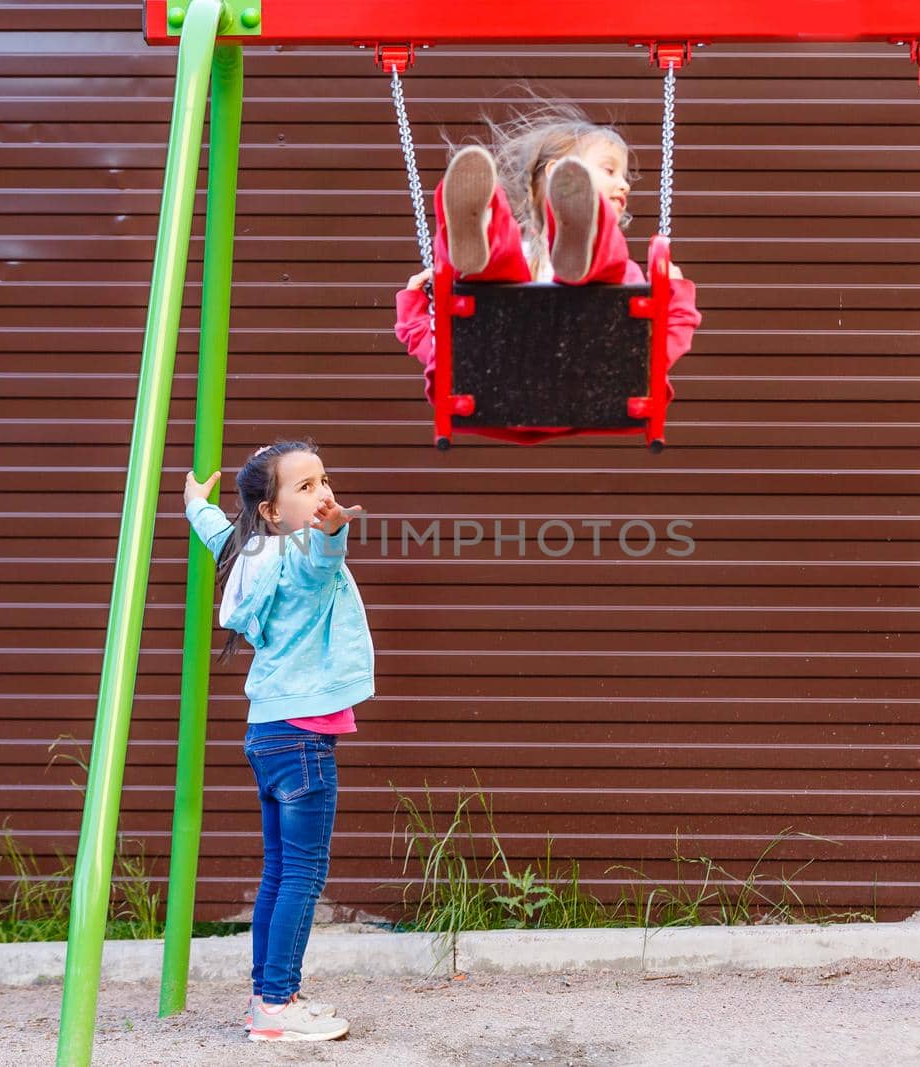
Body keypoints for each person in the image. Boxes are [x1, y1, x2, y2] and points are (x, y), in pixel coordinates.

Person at [183, 440, 372, 1042]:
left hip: (269, 732)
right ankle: (275, 1005)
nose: (323, 494)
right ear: (271, 511)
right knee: (302, 875)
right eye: (305, 487)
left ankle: (270, 996)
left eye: (324, 480)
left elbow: (219, 534)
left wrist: (194, 503)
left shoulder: (251, 554)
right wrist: (335, 532)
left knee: (279, 872)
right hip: (302, 741)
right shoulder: (300, 556)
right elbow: (322, 560)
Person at [394, 100, 703, 444]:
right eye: (610, 170)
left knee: (484, 285)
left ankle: (485, 242)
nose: (625, 185)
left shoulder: (607, 270)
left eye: (624, 176)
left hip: (495, 394)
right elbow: (659, 348)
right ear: (558, 173)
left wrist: (415, 309)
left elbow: (440, 348)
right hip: (590, 394)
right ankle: (488, 236)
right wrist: (678, 300)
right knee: (516, 266)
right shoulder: (621, 272)